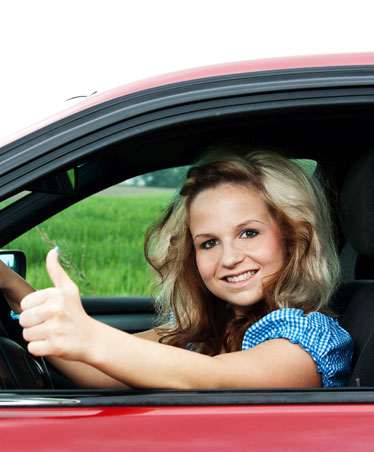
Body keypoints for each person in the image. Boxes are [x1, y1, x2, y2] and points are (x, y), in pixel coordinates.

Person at [0, 149, 353, 389]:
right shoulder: (208, 325)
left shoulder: (308, 339)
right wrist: (12, 286)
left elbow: (210, 378)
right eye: (209, 243)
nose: (229, 258)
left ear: (292, 238)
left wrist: (88, 337)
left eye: (249, 233)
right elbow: (103, 370)